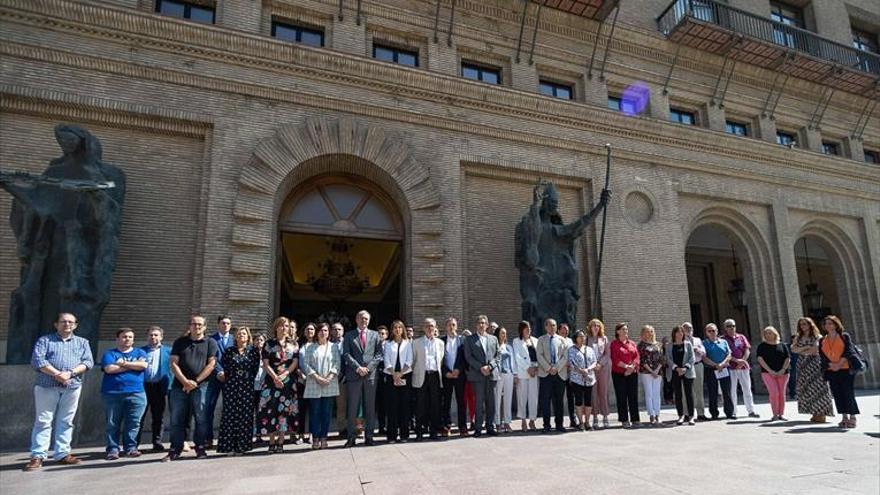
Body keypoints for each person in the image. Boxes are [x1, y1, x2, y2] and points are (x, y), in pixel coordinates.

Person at [24, 312, 94, 471]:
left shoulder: (83, 342)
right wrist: (57, 374)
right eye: (63, 321)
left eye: (71, 322)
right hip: (46, 386)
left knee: (66, 421)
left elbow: (88, 362)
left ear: (75, 325)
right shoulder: (45, 340)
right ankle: (38, 455)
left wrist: (69, 374)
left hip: (72, 386)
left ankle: (62, 454)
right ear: (56, 324)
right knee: (43, 421)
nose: (67, 324)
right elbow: (38, 360)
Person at [163, 315, 219, 461]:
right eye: (194, 324)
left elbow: (211, 364)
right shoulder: (180, 342)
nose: (197, 326)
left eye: (200, 324)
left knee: (201, 418)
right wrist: (185, 382)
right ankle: (175, 449)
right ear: (189, 326)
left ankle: (199, 448)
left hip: (202, 387)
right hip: (179, 387)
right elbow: (173, 363)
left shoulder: (210, 342)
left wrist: (195, 381)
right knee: (176, 419)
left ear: (205, 327)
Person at [101, 328, 148, 460]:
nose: (127, 339)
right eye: (124, 337)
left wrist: (123, 363)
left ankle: (131, 448)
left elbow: (143, 366)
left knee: (133, 422)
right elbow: (109, 369)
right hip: (112, 393)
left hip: (136, 393)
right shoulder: (109, 353)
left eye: (130, 337)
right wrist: (133, 365)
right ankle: (113, 449)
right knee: (112, 423)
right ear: (117, 339)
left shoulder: (140, 352)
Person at [256, 317, 299, 453]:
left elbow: (295, 363)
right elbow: (266, 364)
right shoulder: (268, 344)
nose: (284, 328)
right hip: (270, 383)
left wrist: (284, 375)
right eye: (281, 325)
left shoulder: (293, 344)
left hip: (287, 383)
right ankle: (271, 442)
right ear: (276, 327)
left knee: (284, 411)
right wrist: (275, 377)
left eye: (286, 325)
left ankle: (281, 442)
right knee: (270, 411)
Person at [217, 326, 261, 455]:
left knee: (245, 416)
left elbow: (255, 369)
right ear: (235, 337)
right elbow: (225, 366)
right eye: (239, 334)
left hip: (247, 386)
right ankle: (228, 447)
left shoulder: (253, 351)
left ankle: (242, 446)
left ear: (248, 337)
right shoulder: (229, 351)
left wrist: (245, 378)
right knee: (229, 415)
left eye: (244, 334)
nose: (241, 336)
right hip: (231, 385)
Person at [342, 310, 383, 447]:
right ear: (356, 320)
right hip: (354, 376)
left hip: (370, 376)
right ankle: (351, 437)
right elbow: (346, 354)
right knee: (352, 407)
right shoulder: (349, 335)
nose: (363, 321)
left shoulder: (376, 335)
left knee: (370, 407)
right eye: (361, 318)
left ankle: (369, 436)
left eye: (366, 319)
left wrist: (368, 368)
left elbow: (379, 355)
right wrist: (358, 368)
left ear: (369, 321)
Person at [301, 323, 341, 450]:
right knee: (315, 413)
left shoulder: (333, 347)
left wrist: (329, 377)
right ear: (317, 333)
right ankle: (316, 438)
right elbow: (306, 365)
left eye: (325, 330)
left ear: (329, 333)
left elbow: (337, 363)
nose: (323, 333)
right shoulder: (310, 347)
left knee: (326, 413)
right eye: (321, 330)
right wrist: (317, 377)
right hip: (314, 383)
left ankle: (324, 437)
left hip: (329, 383)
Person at [790, 317, 834, 423]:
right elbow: (793, 349)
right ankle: (814, 412)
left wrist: (801, 350)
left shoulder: (817, 336)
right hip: (802, 365)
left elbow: (815, 350)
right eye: (801, 324)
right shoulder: (798, 337)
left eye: (805, 324)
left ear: (810, 324)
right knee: (806, 389)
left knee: (818, 388)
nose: (803, 326)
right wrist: (806, 348)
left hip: (815, 365)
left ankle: (821, 413)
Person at [819, 316, 860, 429]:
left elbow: (849, 351)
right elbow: (822, 357)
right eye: (826, 323)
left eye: (831, 323)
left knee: (848, 393)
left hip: (845, 369)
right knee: (837, 394)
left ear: (836, 324)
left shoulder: (844, 336)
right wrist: (830, 365)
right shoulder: (822, 340)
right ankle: (844, 417)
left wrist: (839, 364)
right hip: (831, 370)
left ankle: (852, 417)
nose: (828, 326)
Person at [464, 314, 500, 437]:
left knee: (491, 403)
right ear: (476, 325)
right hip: (477, 375)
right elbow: (468, 357)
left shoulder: (493, 339)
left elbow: (498, 356)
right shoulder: (469, 339)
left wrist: (490, 366)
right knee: (479, 403)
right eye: (479, 323)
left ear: (487, 325)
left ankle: (490, 426)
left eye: (483, 323)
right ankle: (478, 428)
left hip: (491, 374)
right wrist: (481, 367)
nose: (481, 325)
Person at [138, 326, 172, 452]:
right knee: (139, 416)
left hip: (160, 386)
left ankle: (157, 442)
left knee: (158, 416)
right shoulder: (140, 351)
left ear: (161, 337)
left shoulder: (168, 351)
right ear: (147, 337)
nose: (153, 337)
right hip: (143, 386)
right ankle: (134, 444)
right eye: (151, 335)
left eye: (156, 335)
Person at [413, 318, 446, 440]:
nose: (429, 328)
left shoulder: (440, 343)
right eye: (427, 326)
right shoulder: (416, 343)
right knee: (420, 405)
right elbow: (413, 361)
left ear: (435, 327)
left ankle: (433, 432)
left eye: (432, 326)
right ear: (423, 328)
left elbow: (441, 361)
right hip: (421, 376)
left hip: (435, 376)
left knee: (435, 405)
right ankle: (419, 432)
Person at [205, 315, 233, 449]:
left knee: (229, 409)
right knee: (208, 408)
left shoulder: (235, 339)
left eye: (228, 323)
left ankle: (226, 438)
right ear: (218, 324)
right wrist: (219, 371)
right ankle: (208, 438)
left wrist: (228, 373)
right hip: (214, 378)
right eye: (223, 323)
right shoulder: (210, 339)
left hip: (231, 378)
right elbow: (210, 357)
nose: (226, 325)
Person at [722, 319, 759, 418]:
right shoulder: (722, 339)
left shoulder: (741, 337)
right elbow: (725, 353)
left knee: (747, 388)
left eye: (733, 326)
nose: (731, 328)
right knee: (732, 390)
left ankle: (751, 410)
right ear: (725, 328)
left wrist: (742, 361)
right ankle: (733, 412)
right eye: (729, 326)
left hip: (743, 367)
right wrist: (736, 361)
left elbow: (747, 350)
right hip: (731, 368)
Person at [537, 318, 568, 433]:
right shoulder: (541, 339)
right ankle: (546, 425)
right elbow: (539, 355)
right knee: (546, 400)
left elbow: (565, 356)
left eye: (554, 325)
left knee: (559, 400)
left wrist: (557, 368)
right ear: (545, 327)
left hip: (559, 374)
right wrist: (549, 368)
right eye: (550, 325)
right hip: (546, 374)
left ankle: (559, 424)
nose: (552, 327)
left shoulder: (562, 340)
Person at [383, 320, 413, 443]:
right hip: (391, 376)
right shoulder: (388, 344)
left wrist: (400, 374)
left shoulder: (408, 344)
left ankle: (404, 435)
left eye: (400, 327)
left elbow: (409, 360)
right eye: (395, 327)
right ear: (392, 330)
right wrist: (394, 374)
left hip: (404, 375)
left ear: (403, 330)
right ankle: (392, 435)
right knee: (392, 407)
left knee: (404, 406)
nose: (397, 329)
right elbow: (386, 361)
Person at [756, 326, 791, 421]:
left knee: (781, 393)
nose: (767, 334)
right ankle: (775, 414)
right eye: (766, 333)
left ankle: (781, 414)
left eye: (769, 332)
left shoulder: (782, 345)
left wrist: (783, 369)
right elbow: (760, 359)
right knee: (774, 393)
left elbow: (787, 358)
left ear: (775, 333)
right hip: (767, 373)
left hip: (783, 373)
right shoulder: (761, 346)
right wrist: (770, 371)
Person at [441, 317, 468, 437]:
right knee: (445, 402)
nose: (451, 327)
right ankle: (446, 426)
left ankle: (462, 427)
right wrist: (446, 372)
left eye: (453, 325)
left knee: (461, 402)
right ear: (446, 327)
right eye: (449, 325)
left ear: (456, 326)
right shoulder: (441, 341)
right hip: (447, 376)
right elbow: (439, 360)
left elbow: (465, 358)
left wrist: (458, 369)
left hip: (459, 375)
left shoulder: (462, 340)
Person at [610, 322, 639, 428]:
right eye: (623, 329)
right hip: (619, 374)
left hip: (632, 373)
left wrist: (632, 367)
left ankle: (635, 419)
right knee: (621, 397)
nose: (626, 331)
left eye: (626, 329)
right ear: (618, 331)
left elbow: (636, 357)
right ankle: (624, 419)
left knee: (633, 396)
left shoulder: (632, 343)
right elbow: (615, 358)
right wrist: (627, 367)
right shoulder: (614, 344)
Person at [702, 323, 734, 420]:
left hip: (724, 368)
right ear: (706, 333)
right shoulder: (704, 343)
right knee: (713, 392)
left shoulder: (723, 342)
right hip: (711, 369)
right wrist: (716, 365)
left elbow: (729, 354)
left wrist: (722, 364)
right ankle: (714, 413)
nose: (712, 333)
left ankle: (729, 412)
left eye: (714, 330)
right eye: (709, 331)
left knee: (727, 391)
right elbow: (704, 357)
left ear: (717, 331)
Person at [567, 330, 597, 431]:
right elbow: (571, 362)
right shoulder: (571, 349)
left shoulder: (589, 349)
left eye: (583, 336)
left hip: (589, 379)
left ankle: (588, 422)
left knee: (588, 401)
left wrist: (587, 370)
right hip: (577, 379)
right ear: (575, 338)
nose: (582, 338)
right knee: (579, 400)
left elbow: (594, 361)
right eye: (580, 336)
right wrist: (581, 371)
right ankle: (580, 422)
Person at [512, 320, 539, 432]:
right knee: (522, 397)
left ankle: (532, 420)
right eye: (526, 328)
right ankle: (523, 420)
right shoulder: (516, 341)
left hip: (535, 371)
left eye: (530, 328)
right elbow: (517, 356)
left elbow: (538, 355)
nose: (529, 330)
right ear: (521, 329)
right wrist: (528, 368)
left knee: (534, 397)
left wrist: (536, 367)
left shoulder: (535, 341)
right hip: (523, 372)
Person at [666, 326, 695, 426]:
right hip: (675, 372)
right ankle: (681, 415)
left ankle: (691, 416)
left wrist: (685, 368)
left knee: (689, 394)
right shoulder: (669, 346)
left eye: (681, 332)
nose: (679, 334)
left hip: (687, 372)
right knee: (678, 395)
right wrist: (676, 368)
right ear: (674, 334)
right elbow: (668, 359)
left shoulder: (688, 344)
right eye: (677, 332)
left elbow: (692, 358)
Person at [586, 319, 611, 429]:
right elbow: (585, 353)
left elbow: (607, 354)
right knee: (594, 394)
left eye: (597, 325)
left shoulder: (604, 339)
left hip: (603, 368)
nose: (595, 327)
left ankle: (605, 416)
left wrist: (600, 364)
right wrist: (592, 365)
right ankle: (595, 417)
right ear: (590, 327)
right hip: (591, 369)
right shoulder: (587, 339)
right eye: (593, 325)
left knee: (603, 392)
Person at [637, 325, 663, 427]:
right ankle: (651, 415)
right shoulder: (641, 345)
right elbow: (642, 360)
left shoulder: (659, 344)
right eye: (647, 331)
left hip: (658, 372)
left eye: (651, 331)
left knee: (657, 394)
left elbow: (662, 358)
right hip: (646, 372)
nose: (649, 333)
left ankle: (657, 414)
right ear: (643, 333)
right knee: (649, 394)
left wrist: (656, 370)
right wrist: (651, 371)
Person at [682, 322, 708, 421]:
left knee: (699, 390)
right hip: (687, 367)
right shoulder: (682, 340)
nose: (688, 329)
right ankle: (686, 413)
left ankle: (701, 413)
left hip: (698, 365)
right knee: (687, 391)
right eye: (686, 328)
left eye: (690, 328)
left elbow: (704, 353)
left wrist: (698, 350)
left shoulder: (698, 340)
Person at [296, 322, 316, 445]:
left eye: (312, 329)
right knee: (301, 409)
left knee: (314, 409)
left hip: (314, 381)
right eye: (307, 329)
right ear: (304, 332)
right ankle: (300, 434)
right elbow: (295, 361)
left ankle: (312, 434)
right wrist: (300, 373)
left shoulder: (318, 345)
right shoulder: (299, 345)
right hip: (301, 380)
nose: (309, 331)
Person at [493, 326, 515, 433]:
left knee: (508, 399)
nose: (504, 335)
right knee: (497, 399)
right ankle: (497, 422)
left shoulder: (509, 347)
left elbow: (513, 361)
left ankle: (507, 422)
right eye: (502, 333)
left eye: (505, 333)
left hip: (509, 374)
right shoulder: (494, 346)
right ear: (497, 334)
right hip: (498, 375)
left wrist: (514, 374)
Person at [558, 323, 578, 428]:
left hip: (570, 373)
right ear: (558, 330)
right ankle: (559, 422)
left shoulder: (571, 341)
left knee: (571, 397)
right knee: (559, 398)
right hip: (560, 372)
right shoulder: (556, 340)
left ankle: (573, 420)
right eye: (563, 330)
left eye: (567, 330)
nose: (565, 332)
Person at [330, 322, 348, 435]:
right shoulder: (327, 344)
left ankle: (342, 428)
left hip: (343, 378)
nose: (337, 331)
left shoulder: (348, 343)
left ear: (343, 331)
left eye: (339, 329)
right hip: (328, 378)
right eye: (335, 329)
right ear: (331, 331)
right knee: (327, 405)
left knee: (342, 405)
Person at [251, 332, 268, 443]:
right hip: (251, 386)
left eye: (261, 340)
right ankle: (250, 433)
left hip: (263, 386)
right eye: (257, 339)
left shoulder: (267, 354)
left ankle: (259, 434)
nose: (259, 342)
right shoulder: (249, 353)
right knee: (251, 412)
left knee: (261, 411)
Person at [375, 324, 389, 436]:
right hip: (376, 376)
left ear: (387, 335)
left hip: (388, 375)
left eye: (383, 334)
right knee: (379, 404)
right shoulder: (373, 345)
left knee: (389, 402)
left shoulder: (390, 345)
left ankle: (390, 425)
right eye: (379, 334)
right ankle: (381, 426)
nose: (381, 335)